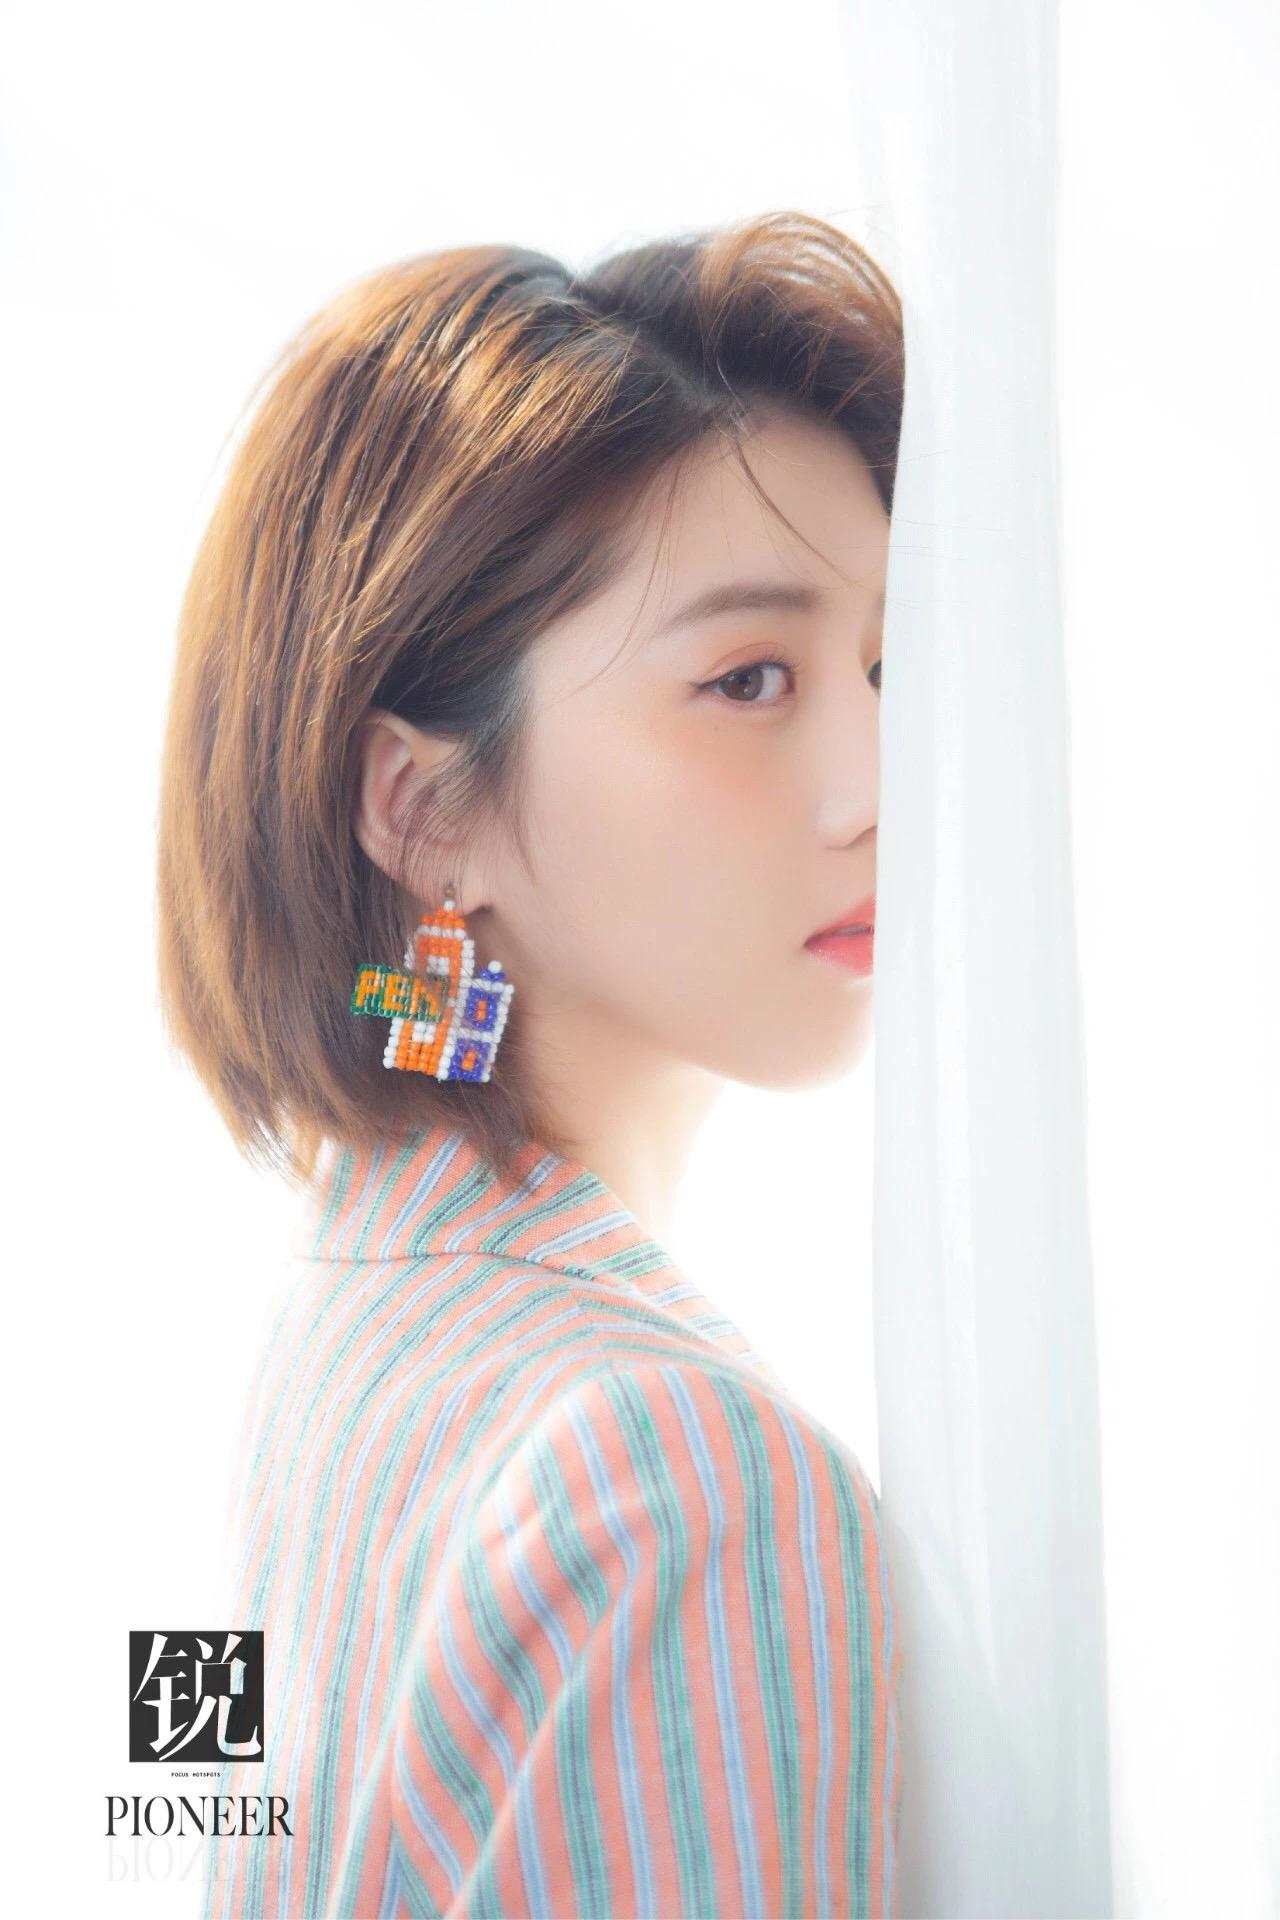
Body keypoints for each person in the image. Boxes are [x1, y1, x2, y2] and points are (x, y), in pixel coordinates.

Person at [157, 208, 903, 1919]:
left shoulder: (333, 1318)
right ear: (427, 809)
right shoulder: (685, 1483)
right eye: (749, 678)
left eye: (888, 663)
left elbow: (186, 1821)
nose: (880, 780)